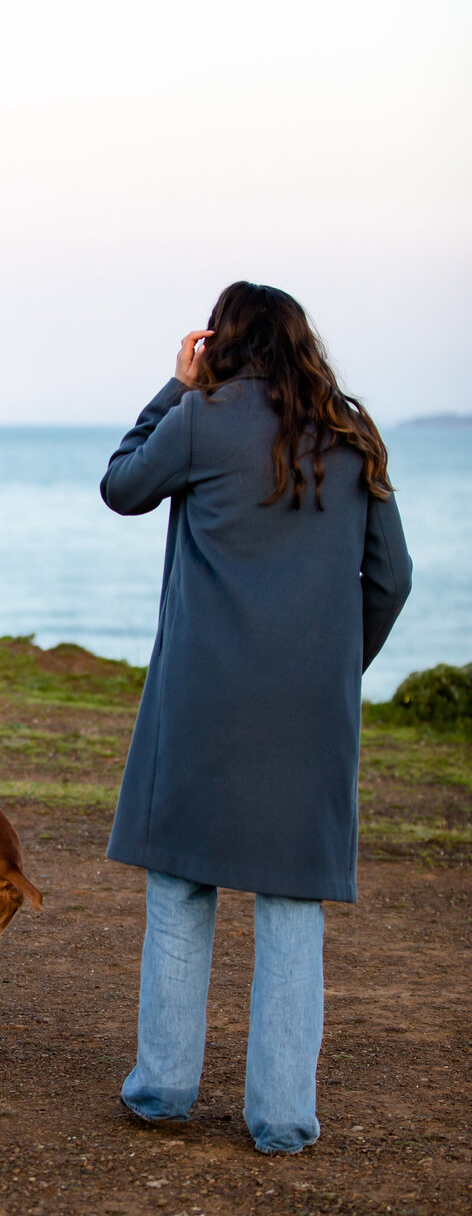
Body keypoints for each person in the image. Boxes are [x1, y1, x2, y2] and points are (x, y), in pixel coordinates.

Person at [100, 281, 412, 1154]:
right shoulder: (355, 435)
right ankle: (281, 1117)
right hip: (308, 712)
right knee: (289, 907)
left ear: (220, 343)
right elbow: (392, 580)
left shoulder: (202, 417)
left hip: (202, 699)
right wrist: (333, 672)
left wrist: (173, 389)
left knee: (180, 888)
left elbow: (123, 486)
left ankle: (161, 1091)